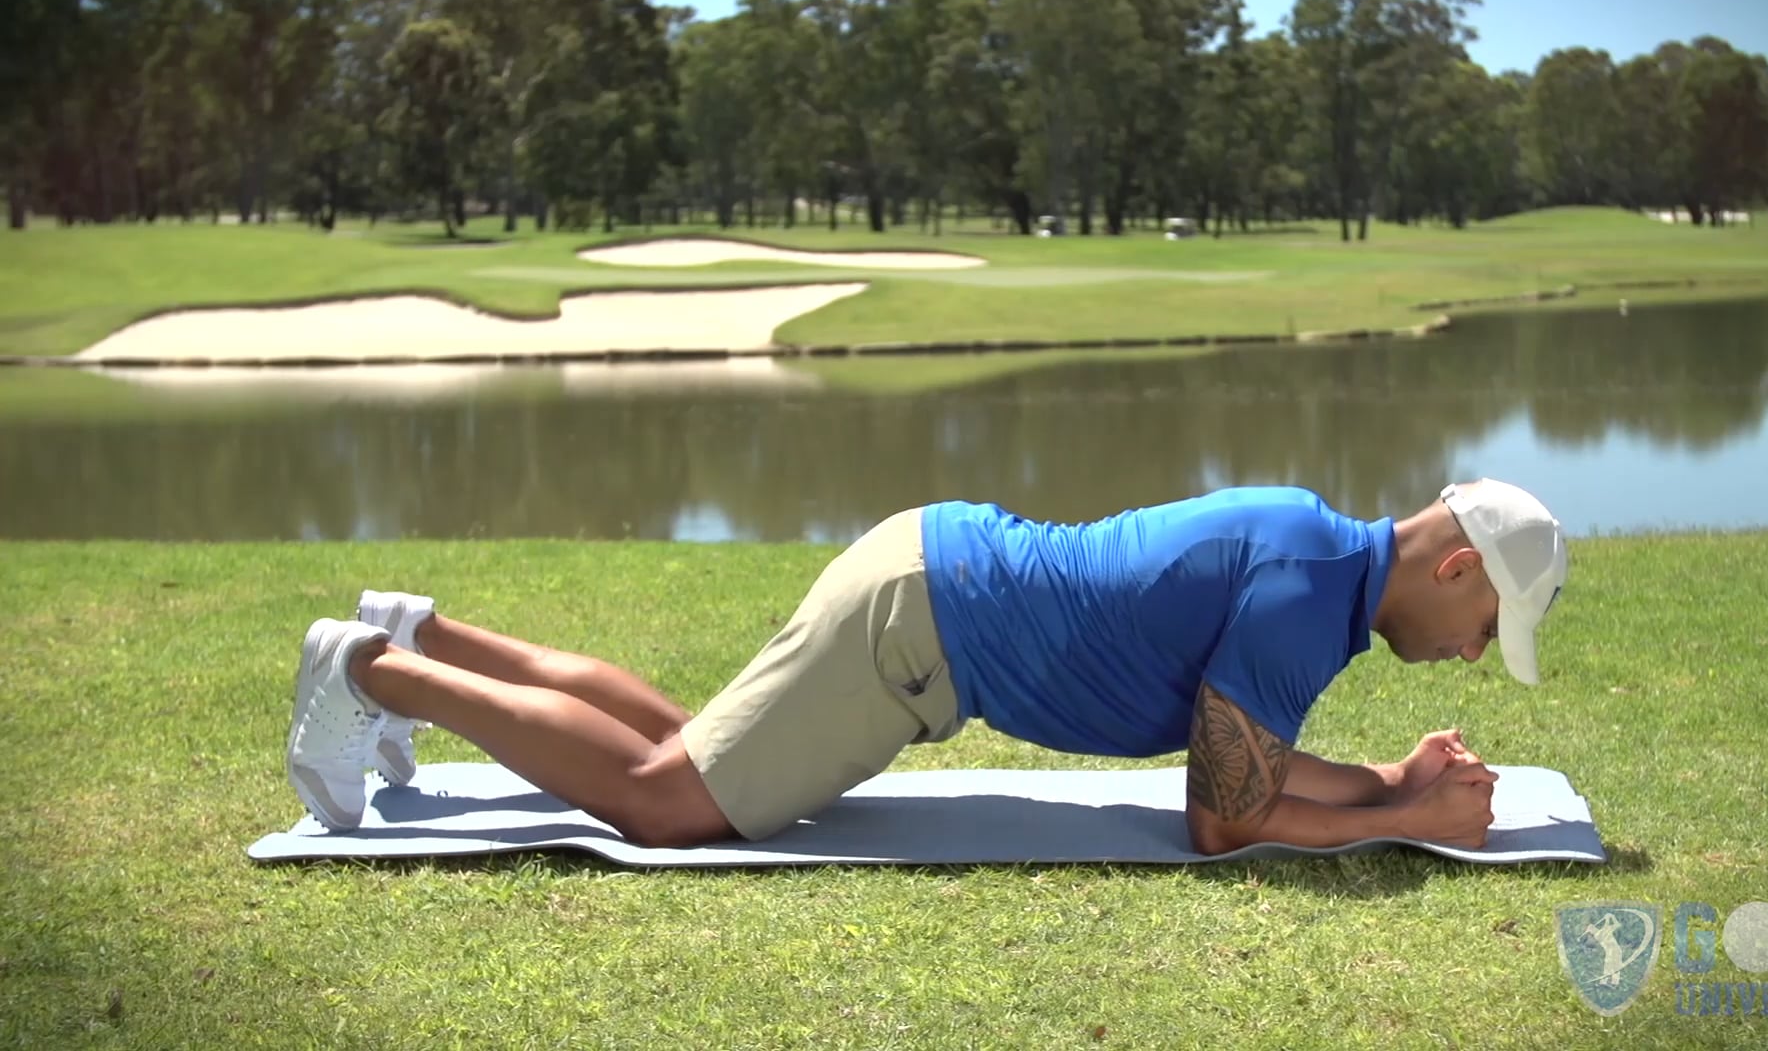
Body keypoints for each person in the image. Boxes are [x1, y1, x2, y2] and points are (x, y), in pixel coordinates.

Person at [284, 478, 1568, 854]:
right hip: (919, 629)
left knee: (682, 745)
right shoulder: (1303, 596)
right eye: (1486, 626)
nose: (1471, 654)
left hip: (926, 579)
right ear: (1457, 566)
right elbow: (1225, 820)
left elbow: (1242, 766)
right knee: (666, 800)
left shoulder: (1315, 547)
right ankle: (372, 672)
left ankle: (425, 632)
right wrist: (1407, 821)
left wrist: (1388, 778)